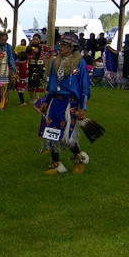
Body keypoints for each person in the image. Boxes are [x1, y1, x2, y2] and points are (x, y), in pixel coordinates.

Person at [37, 33, 90, 174]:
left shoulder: (80, 63)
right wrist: (46, 102)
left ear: (72, 47)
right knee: (51, 133)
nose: (61, 47)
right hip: (55, 102)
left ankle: (79, 160)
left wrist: (83, 108)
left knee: (67, 136)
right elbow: (52, 86)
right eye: (61, 44)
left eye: (64, 45)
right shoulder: (56, 61)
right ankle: (56, 164)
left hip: (69, 104)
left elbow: (85, 87)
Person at [26, 33, 54, 104]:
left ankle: (36, 98)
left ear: (39, 40)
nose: (35, 41)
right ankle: (31, 98)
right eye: (34, 39)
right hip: (31, 65)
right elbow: (27, 54)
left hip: (40, 65)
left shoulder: (43, 46)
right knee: (31, 81)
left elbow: (51, 51)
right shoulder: (30, 47)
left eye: (37, 39)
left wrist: (45, 58)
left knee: (37, 81)